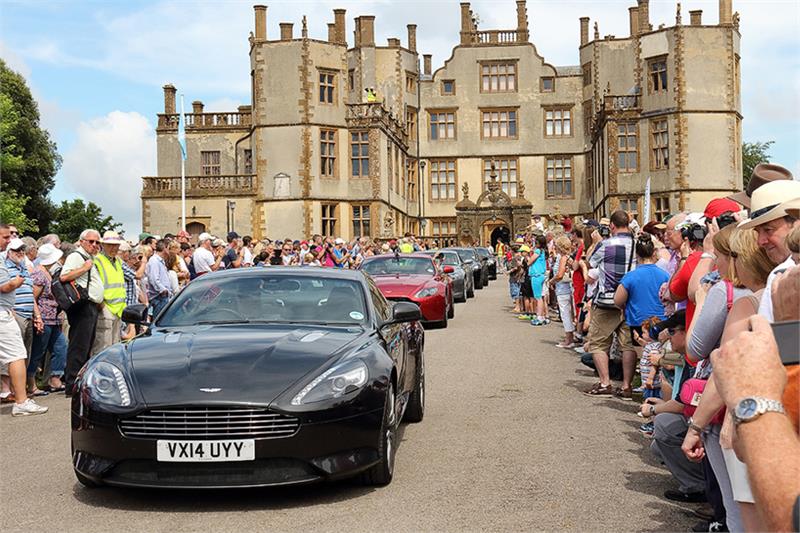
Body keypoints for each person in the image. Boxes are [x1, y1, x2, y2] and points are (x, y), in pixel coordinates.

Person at [583, 210, 637, 397]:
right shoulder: (636, 244)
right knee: (628, 345)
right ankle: (626, 385)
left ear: (611, 226)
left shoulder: (606, 244)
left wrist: (596, 241)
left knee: (599, 343)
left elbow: (591, 263)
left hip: (607, 299)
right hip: (629, 299)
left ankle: (605, 383)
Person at [613, 232, 670, 399]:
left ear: (636, 254)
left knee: (633, 351)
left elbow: (617, 299)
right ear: (654, 253)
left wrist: (625, 305)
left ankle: (627, 385)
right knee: (660, 357)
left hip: (638, 320)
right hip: (661, 320)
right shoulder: (664, 274)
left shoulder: (631, 276)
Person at [0, 225, 48, 416]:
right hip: (4, 313)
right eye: (5, 237)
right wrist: (15, 283)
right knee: (17, 355)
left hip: (8, 311)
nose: (8, 240)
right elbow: (3, 287)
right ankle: (21, 400)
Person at [736, 180, 800, 323]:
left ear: (796, 224)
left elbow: (772, 341)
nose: (760, 241)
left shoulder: (781, 275)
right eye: (758, 232)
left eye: (768, 230)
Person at [60, 229, 105, 393]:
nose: (94, 245)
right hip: (82, 306)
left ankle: (79, 381)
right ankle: (72, 384)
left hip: (91, 306)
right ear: (82, 241)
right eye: (91, 241)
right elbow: (64, 277)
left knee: (86, 345)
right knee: (79, 345)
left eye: (97, 242)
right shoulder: (76, 257)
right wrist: (85, 268)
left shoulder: (90, 258)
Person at [29, 243, 67, 393]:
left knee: (61, 346)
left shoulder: (50, 273)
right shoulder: (39, 274)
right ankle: (31, 382)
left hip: (54, 318)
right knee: (38, 351)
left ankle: (55, 378)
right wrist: (37, 317)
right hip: (44, 318)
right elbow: (33, 297)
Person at [92, 231, 127, 356]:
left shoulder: (117, 261)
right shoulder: (98, 261)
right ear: (103, 245)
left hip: (118, 310)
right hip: (105, 308)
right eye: (110, 245)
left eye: (116, 245)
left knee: (114, 348)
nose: (114, 248)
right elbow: (95, 287)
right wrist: (102, 305)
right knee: (102, 348)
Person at [550, 236, 575, 347]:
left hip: (563, 289)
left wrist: (551, 281)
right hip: (566, 288)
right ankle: (570, 338)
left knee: (565, 314)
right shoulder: (567, 257)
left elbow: (560, 275)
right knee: (568, 314)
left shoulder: (563, 257)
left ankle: (569, 340)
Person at [145, 240, 173, 318]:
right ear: (164, 248)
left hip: (162, 297)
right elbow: (154, 279)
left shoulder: (160, 261)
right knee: (160, 319)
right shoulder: (154, 261)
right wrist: (163, 290)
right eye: (168, 248)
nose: (169, 251)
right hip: (159, 297)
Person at [528, 235, 549, 326]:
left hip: (536, 275)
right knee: (541, 297)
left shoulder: (538, 251)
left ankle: (539, 317)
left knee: (538, 297)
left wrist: (529, 257)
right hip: (542, 275)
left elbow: (530, 262)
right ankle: (543, 316)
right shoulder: (544, 251)